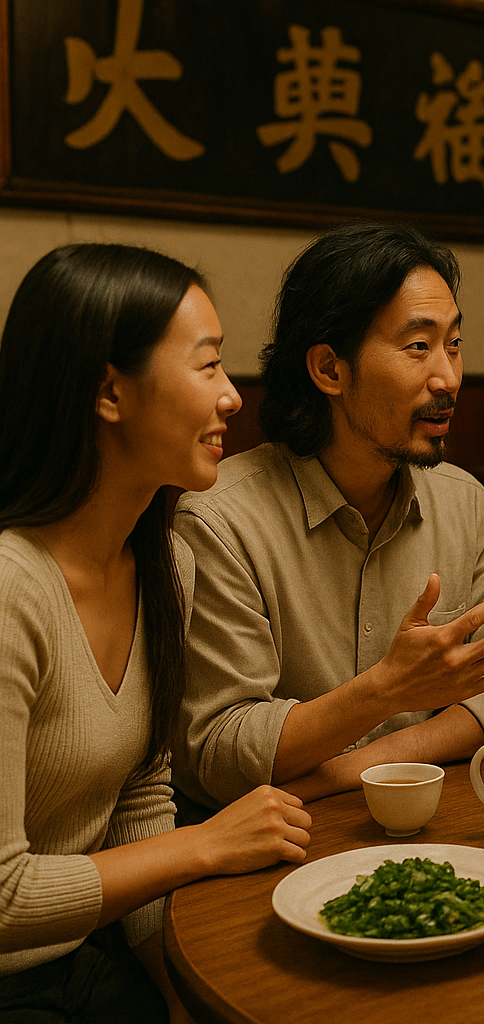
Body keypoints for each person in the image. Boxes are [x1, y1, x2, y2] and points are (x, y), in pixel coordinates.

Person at [0, 244, 311, 1022]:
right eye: (207, 366)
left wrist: (173, 988)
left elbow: (141, 793)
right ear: (109, 391)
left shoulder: (165, 557)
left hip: (90, 958)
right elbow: (3, 897)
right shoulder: (10, 591)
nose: (234, 397)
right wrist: (206, 845)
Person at [172, 222, 484, 811]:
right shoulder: (221, 523)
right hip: (281, 849)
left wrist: (353, 771)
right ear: (329, 370)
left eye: (454, 344)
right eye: (418, 347)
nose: (448, 377)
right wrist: (385, 690)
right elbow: (218, 749)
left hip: (432, 823)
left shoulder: (464, 502)